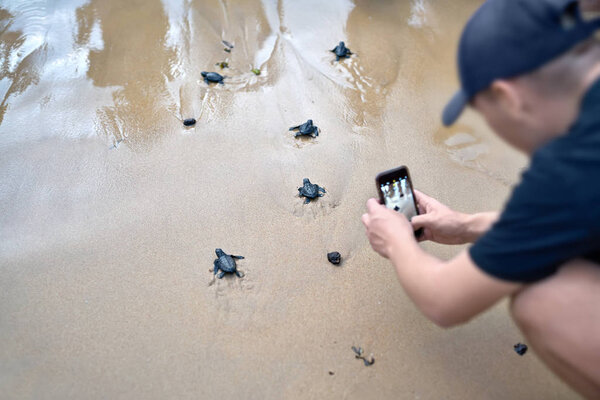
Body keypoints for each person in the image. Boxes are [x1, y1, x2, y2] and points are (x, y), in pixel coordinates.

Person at [361, 0, 600, 398]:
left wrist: (397, 241)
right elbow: (580, 219)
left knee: (542, 301)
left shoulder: (571, 166)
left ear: (507, 98)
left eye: (485, 114)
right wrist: (467, 225)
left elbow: (443, 301)